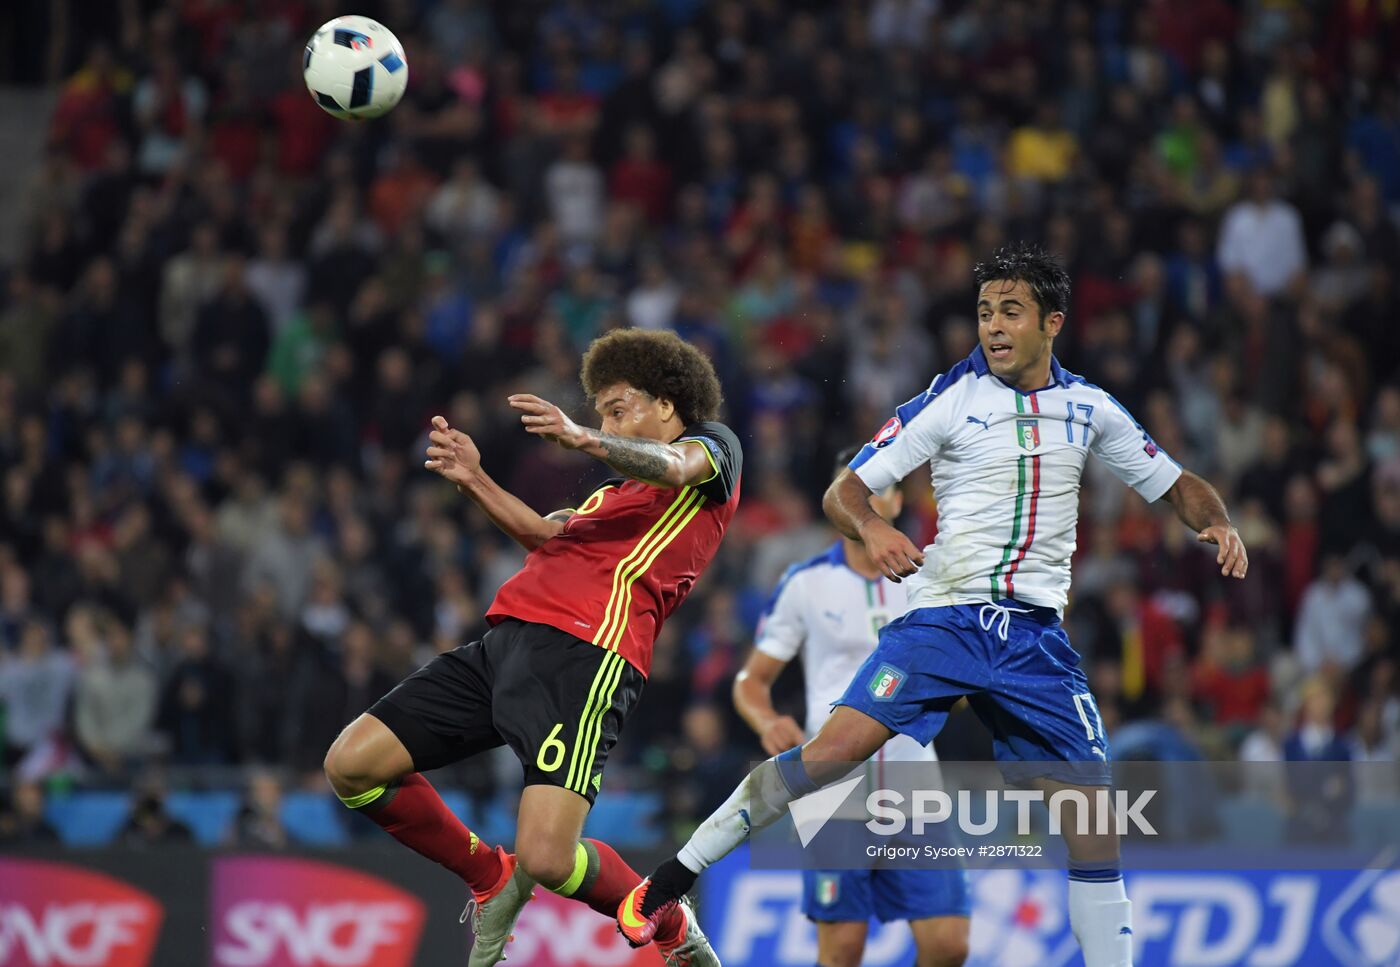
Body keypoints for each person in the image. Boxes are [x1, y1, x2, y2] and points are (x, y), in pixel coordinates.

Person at [621, 245, 1249, 967]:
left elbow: (1178, 484)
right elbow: (844, 492)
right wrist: (876, 525)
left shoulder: (1091, 409)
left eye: (1010, 311)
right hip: (945, 620)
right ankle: (670, 880)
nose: (993, 327)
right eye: (984, 312)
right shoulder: (951, 397)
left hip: (1036, 640)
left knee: (1094, 817)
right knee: (829, 755)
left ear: (1053, 322)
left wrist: (1219, 521)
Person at [323, 329, 740, 967]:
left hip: (588, 655)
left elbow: (677, 465)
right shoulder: (613, 495)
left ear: (666, 403)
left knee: (546, 858)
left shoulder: (712, 452)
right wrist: (475, 478)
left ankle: (667, 918)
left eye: (617, 406)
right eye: (598, 411)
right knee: (350, 764)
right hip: (504, 644)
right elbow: (547, 537)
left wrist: (585, 438)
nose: (604, 420)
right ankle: (489, 876)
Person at [733, 446, 970, 967]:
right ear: (835, 502)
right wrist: (768, 719)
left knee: (949, 945)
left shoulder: (933, 582)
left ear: (898, 497)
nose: (866, 498)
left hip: (915, 785)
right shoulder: (806, 582)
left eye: (878, 486)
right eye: (853, 489)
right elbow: (751, 680)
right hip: (834, 789)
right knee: (842, 950)